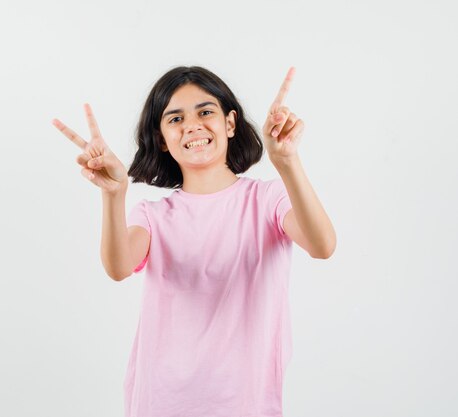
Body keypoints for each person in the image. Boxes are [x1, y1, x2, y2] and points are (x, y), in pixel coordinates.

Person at [52, 66, 336, 417]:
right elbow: (118, 266)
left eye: (205, 112)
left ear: (230, 124)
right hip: (160, 402)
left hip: (245, 404)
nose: (192, 125)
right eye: (175, 119)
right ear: (161, 139)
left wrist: (287, 162)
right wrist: (114, 194)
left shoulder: (268, 200)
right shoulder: (153, 216)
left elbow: (322, 245)